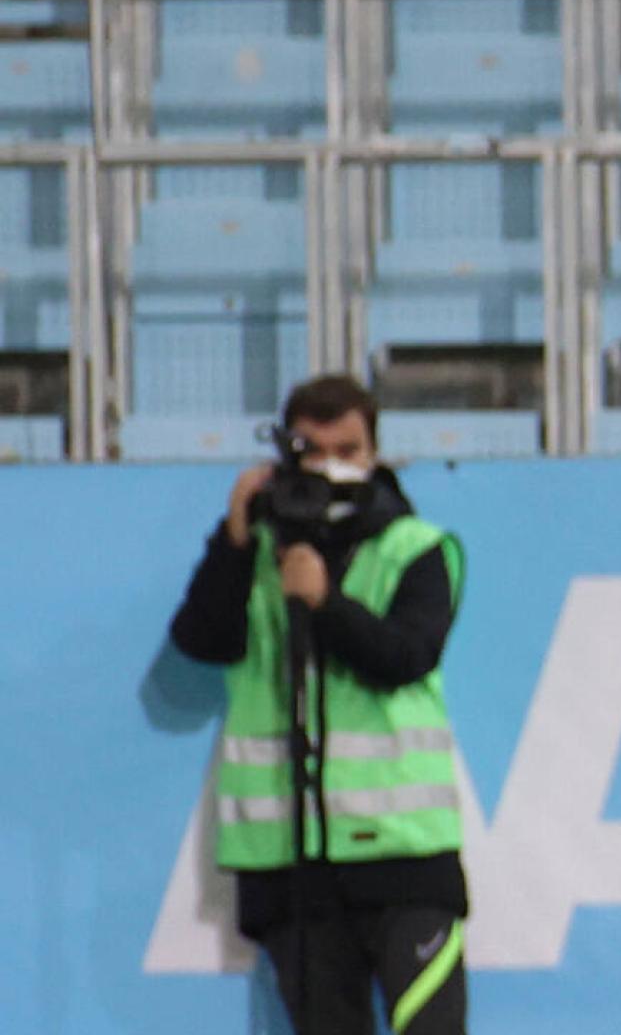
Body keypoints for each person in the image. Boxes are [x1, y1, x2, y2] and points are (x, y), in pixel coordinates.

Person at [169, 375, 470, 1032]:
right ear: (286, 458)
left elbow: (405, 657)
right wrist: (235, 537)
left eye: (349, 448)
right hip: (292, 870)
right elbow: (202, 640)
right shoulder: (254, 554)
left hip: (404, 862)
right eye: (315, 451)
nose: (333, 466)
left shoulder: (416, 549)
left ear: (374, 453)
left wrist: (325, 603)